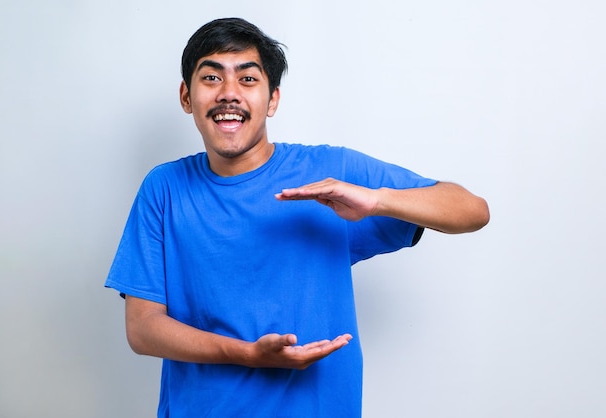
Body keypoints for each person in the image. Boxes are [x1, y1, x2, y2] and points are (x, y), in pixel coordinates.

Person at [105, 17, 489, 417]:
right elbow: (143, 328)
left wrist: (377, 201)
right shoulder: (164, 188)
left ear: (272, 99)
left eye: (248, 79)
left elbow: (472, 210)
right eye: (212, 78)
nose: (229, 94)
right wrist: (248, 354)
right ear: (187, 96)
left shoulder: (329, 170)